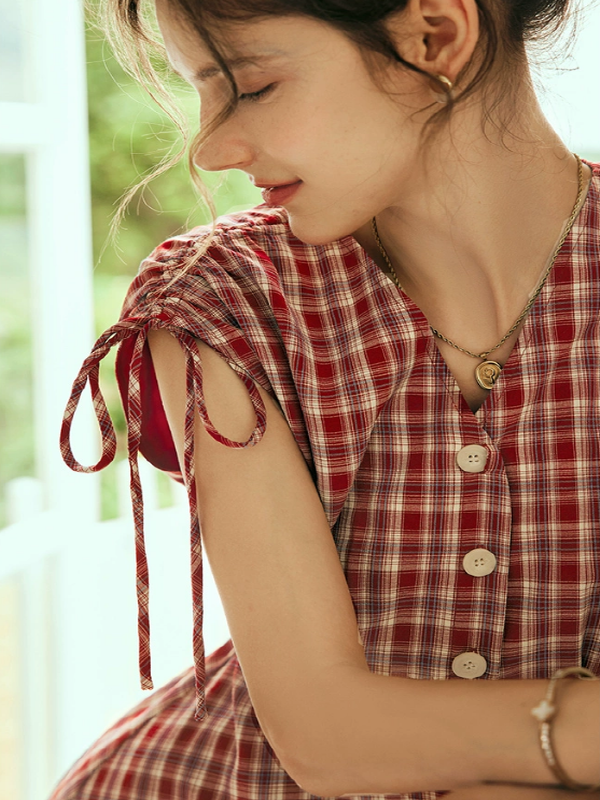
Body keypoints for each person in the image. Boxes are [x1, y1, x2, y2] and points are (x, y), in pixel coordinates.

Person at [52, 0, 600, 797]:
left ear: (434, 35)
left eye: (252, 86)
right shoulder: (223, 301)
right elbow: (328, 737)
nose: (211, 149)